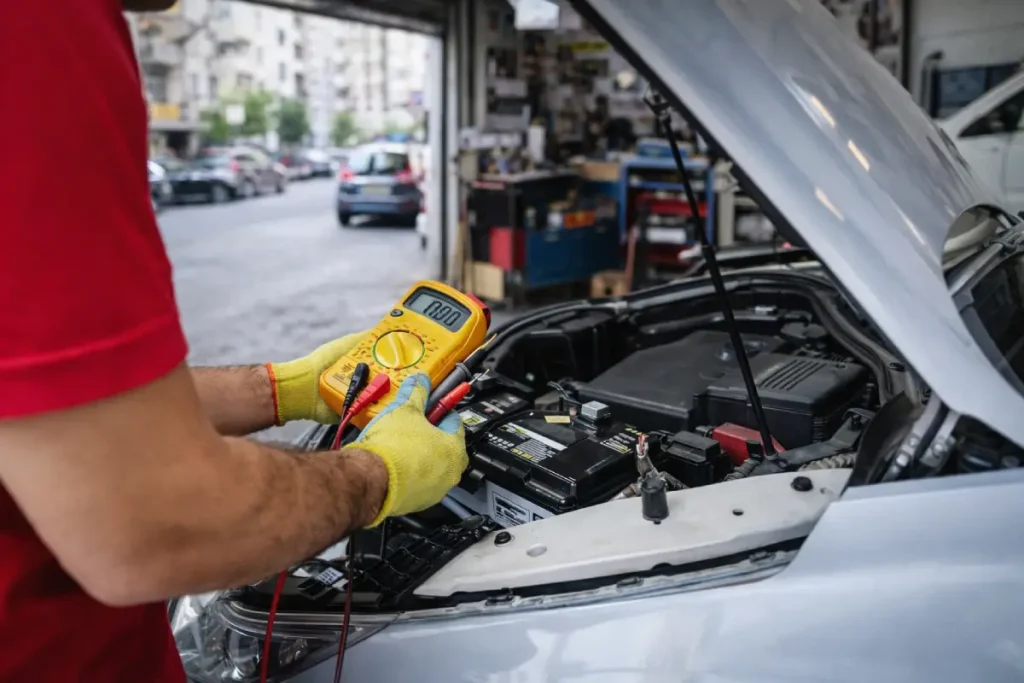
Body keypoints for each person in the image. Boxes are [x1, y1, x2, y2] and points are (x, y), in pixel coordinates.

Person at [0, 1, 467, 681]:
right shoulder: (39, 25)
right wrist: (379, 474)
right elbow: (152, 521)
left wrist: (283, 388)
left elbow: (52, 407)